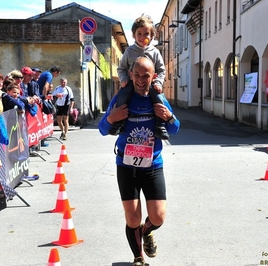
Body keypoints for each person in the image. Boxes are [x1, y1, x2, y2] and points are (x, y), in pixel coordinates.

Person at [98, 56, 180, 266]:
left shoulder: (158, 99)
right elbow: (102, 129)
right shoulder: (121, 99)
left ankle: (147, 232)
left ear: (153, 77)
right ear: (131, 75)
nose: (141, 80)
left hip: (152, 165)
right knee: (132, 217)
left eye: (146, 76)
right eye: (138, 75)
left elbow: (174, 128)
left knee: (159, 217)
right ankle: (138, 259)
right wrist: (110, 118)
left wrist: (169, 117)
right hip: (126, 166)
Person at [112, 14, 167, 140]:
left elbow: (161, 70)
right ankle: (119, 123)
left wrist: (158, 82)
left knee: (159, 98)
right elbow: (121, 68)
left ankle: (160, 125)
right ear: (134, 35)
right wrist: (124, 79)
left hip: (150, 84)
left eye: (146, 34)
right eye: (139, 33)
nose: (143, 37)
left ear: (152, 36)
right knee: (123, 96)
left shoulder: (155, 52)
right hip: (132, 82)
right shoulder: (129, 51)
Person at [37, 66, 61, 147]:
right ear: (56, 72)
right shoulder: (49, 75)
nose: (56, 76)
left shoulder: (45, 73)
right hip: (40, 97)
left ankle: (41, 141)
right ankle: (40, 141)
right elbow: (46, 85)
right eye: (57, 75)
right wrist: (44, 97)